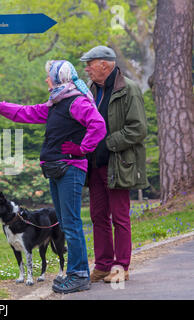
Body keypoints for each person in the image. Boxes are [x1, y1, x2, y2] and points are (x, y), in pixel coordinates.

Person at [0, 60, 106, 294]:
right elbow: (25, 113)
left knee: (72, 224)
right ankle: (78, 273)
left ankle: (79, 275)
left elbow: (98, 124)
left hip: (70, 169)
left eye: (49, 76)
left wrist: (82, 148)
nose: (46, 80)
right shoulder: (57, 103)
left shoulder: (76, 102)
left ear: (59, 79)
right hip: (56, 170)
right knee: (65, 223)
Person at [80, 46, 149, 283]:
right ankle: (102, 265)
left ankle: (121, 266)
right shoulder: (91, 90)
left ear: (105, 65)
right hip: (95, 165)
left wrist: (107, 142)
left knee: (120, 217)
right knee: (98, 216)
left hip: (118, 162)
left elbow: (138, 129)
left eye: (90, 64)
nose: (86, 69)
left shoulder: (128, 89)